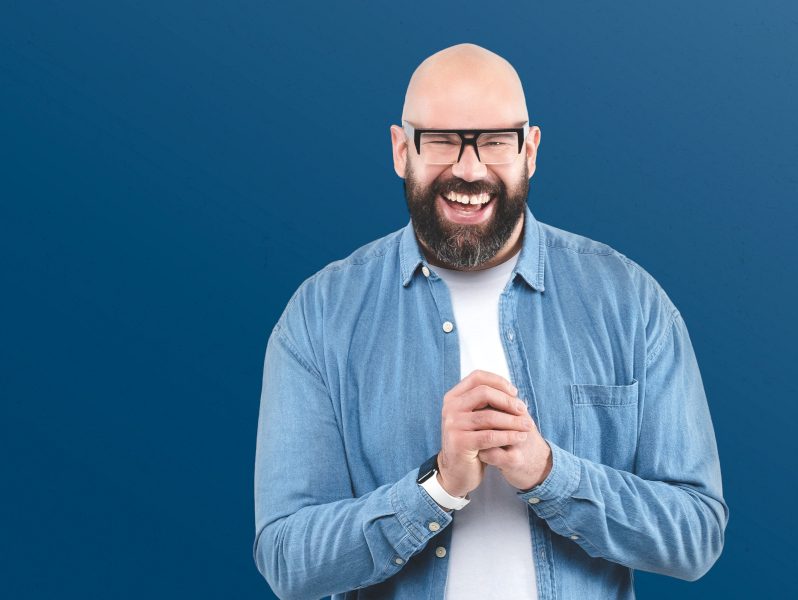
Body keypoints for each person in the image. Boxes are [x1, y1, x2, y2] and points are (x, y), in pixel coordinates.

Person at [253, 43, 728, 600]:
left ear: (530, 150)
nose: (469, 169)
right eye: (442, 141)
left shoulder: (629, 303)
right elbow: (287, 559)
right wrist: (436, 489)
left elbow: (696, 536)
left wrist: (550, 473)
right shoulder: (320, 316)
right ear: (401, 150)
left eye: (495, 141)